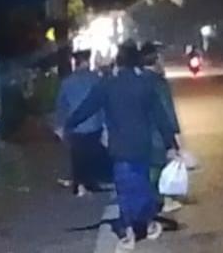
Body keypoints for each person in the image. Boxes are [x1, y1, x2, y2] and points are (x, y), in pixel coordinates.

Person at [66, 43, 180, 250]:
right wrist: (170, 143)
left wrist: (69, 124)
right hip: (142, 145)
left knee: (125, 190)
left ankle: (129, 232)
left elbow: (87, 107)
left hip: (119, 147)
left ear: (118, 62)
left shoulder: (108, 85)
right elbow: (160, 116)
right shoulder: (145, 84)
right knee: (142, 185)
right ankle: (148, 223)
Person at [140, 44, 184, 216]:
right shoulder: (159, 83)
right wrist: (173, 135)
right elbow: (166, 110)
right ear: (156, 60)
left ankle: (151, 201)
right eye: (161, 58)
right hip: (158, 133)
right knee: (162, 166)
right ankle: (164, 200)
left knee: (149, 168)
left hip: (141, 132)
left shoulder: (138, 80)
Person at [55, 51, 107, 197]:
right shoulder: (96, 79)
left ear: (75, 63)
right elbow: (103, 103)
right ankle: (91, 182)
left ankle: (79, 185)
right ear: (87, 61)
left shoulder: (67, 82)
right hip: (94, 124)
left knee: (77, 155)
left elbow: (62, 105)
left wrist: (59, 125)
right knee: (92, 154)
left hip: (75, 126)